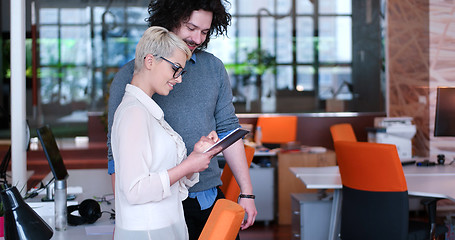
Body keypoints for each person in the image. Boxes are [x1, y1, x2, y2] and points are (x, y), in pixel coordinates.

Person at [107, 0, 257, 239]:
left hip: (205, 199)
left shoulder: (214, 69)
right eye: (191, 28)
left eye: (205, 32)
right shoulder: (131, 80)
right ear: (171, 19)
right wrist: (125, 217)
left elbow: (229, 129)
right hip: (156, 207)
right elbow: (117, 157)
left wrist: (247, 193)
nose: (197, 38)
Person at [111, 26, 221, 239]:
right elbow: (135, 190)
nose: (178, 79)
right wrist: (188, 165)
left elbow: (167, 176)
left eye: (182, 71)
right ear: (150, 61)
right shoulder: (134, 112)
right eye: (175, 69)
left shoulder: (147, 110)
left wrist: (195, 157)